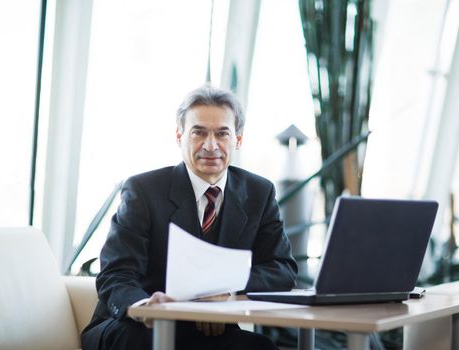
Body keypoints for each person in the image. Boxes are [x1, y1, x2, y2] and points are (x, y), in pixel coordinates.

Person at [81, 85, 298, 350]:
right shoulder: (143, 190)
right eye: (199, 132)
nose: (210, 145)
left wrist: (225, 294)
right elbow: (116, 273)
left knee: (261, 348)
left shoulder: (259, 193)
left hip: (212, 328)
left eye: (222, 133)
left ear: (238, 140)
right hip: (138, 326)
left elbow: (282, 269)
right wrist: (145, 307)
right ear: (179, 136)